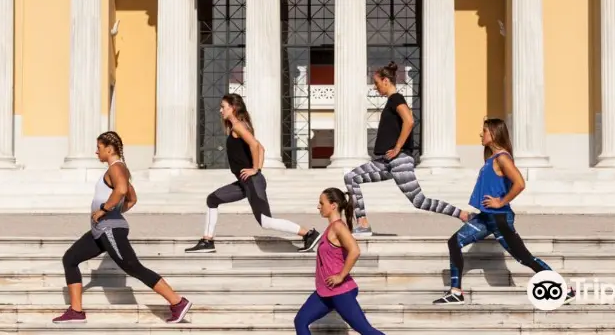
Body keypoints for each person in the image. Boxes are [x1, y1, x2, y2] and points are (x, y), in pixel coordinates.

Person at [53, 131, 192, 324]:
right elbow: (132, 199)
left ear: (109, 149)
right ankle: (76, 311)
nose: (96, 152)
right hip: (101, 230)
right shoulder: (119, 169)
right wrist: (116, 211)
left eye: (99, 148)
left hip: (108, 229)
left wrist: (105, 210)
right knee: (70, 258)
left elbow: (122, 190)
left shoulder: (116, 168)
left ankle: (177, 302)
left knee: (132, 266)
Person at [433, 118, 575, 305]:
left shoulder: (502, 158)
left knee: (524, 258)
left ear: (494, 133)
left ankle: (563, 290)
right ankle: (456, 292)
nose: (480, 135)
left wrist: (501, 202)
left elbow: (520, 183)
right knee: (454, 242)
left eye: (484, 131)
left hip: (499, 219)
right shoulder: (492, 158)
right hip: (486, 217)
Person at [343, 61, 468, 239]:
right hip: (387, 161)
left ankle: (462, 215)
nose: (375, 87)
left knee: (419, 201)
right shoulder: (392, 101)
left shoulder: (396, 99)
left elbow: (409, 121)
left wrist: (397, 147)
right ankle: (362, 223)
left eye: (377, 83)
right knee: (351, 177)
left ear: (386, 81)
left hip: (399, 160)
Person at [185, 93, 322, 253]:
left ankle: (309, 234)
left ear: (233, 108)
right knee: (213, 199)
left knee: (266, 221)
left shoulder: (238, 126)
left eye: (223, 107)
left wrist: (255, 170)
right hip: (246, 182)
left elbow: (255, 146)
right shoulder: (240, 125)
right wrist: (256, 170)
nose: (220, 110)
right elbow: (261, 148)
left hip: (252, 182)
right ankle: (207, 241)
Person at [293, 188, 386, 335]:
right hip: (325, 291)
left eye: (321, 203)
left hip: (340, 291)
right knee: (300, 321)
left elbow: (355, 250)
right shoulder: (331, 227)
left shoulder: (338, 227)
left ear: (333, 205)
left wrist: (341, 276)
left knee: (365, 330)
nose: (318, 207)